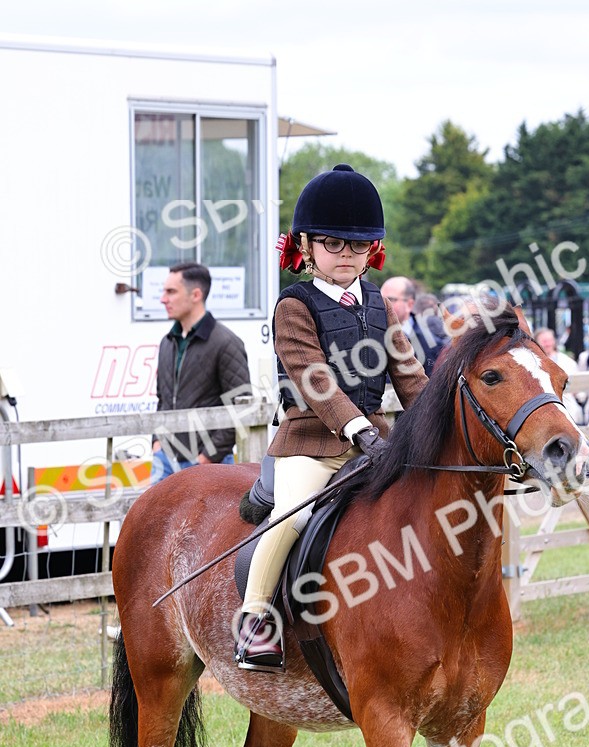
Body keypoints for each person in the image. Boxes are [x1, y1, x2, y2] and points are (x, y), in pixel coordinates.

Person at [236, 164, 428, 671]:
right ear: (307, 244)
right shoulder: (294, 306)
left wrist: (437, 421)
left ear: (373, 249)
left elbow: (409, 375)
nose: (346, 255)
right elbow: (314, 379)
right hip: (310, 444)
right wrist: (359, 429)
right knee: (294, 515)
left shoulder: (379, 304)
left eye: (357, 245)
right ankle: (256, 619)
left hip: (375, 440)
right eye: (333, 243)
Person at [152, 261, 252, 483]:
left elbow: (240, 409)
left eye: (171, 292)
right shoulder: (167, 342)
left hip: (206, 465)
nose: (163, 299)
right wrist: (156, 443)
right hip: (164, 460)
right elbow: (162, 400)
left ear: (196, 294)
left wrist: (205, 458)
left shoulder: (226, 343)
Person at [380, 276, 449, 377]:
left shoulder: (432, 344)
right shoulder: (370, 335)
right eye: (378, 299)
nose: (382, 304)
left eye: (390, 300)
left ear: (409, 304)